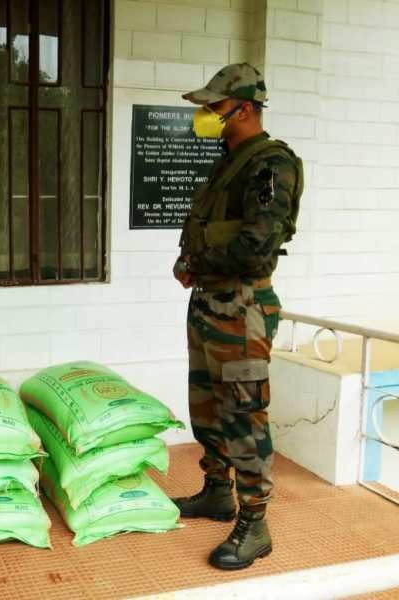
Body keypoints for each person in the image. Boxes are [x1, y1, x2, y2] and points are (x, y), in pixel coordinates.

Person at [171, 63, 303, 570]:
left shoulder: (270, 164)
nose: (206, 114)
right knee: (207, 406)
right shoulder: (229, 161)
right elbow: (209, 229)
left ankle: (255, 524)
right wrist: (189, 261)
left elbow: (256, 248)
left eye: (215, 106)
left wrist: (199, 261)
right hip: (210, 303)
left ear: (244, 109)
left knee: (243, 415)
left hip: (241, 308)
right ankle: (216, 491)